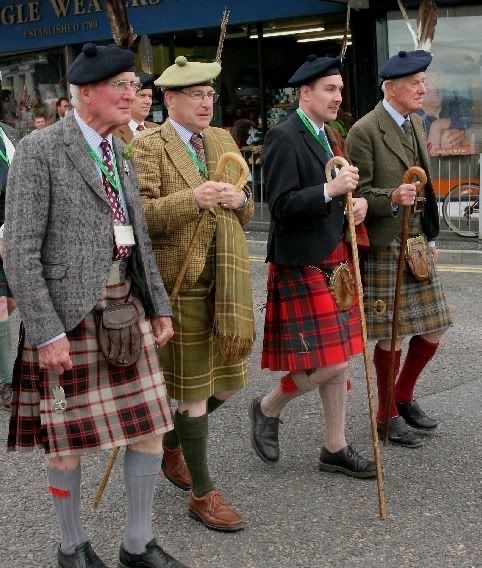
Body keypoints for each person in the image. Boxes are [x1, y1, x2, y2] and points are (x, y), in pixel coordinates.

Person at [4, 42, 188, 568]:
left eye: (134, 85)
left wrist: (158, 306)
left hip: (125, 307)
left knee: (150, 427)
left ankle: (138, 543)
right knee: (66, 443)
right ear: (86, 93)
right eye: (121, 85)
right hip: (67, 317)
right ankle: (72, 548)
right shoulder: (41, 150)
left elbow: (138, 238)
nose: (133, 94)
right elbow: (19, 251)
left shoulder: (120, 150)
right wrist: (47, 333)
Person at [133, 56, 255, 532]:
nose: (206, 103)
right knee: (193, 393)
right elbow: (140, 216)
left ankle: (171, 443)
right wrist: (193, 199)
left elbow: (246, 207)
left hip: (226, 282)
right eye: (196, 95)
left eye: (210, 94)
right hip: (179, 284)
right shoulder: (149, 145)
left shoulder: (222, 139)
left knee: (229, 383)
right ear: (170, 100)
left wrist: (239, 199)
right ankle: (203, 494)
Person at [249, 54, 376, 479]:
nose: (338, 96)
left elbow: (341, 191)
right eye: (329, 89)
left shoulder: (330, 135)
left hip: (334, 255)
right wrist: (329, 189)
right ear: (306, 93)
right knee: (333, 361)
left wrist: (356, 203)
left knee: (341, 356)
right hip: (301, 259)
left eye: (340, 89)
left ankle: (334, 447)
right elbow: (280, 205)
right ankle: (269, 406)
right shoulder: (283, 136)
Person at [346, 50, 453, 448]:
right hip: (386, 242)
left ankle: (403, 396)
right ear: (390, 88)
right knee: (392, 335)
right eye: (413, 83)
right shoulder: (364, 130)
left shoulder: (415, 122)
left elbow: (425, 187)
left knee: (436, 324)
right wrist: (391, 197)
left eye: (423, 82)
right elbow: (357, 193)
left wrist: (431, 236)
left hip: (416, 240)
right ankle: (386, 414)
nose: (422, 89)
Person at [0, 119, 17, 411]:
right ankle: (6, 382)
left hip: (11, 231)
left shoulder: (8, 133)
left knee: (12, 303)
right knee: (1, 305)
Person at [115, 72, 158, 143]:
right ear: (129, 98)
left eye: (150, 97)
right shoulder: (114, 132)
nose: (148, 102)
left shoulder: (158, 130)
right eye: (142, 95)